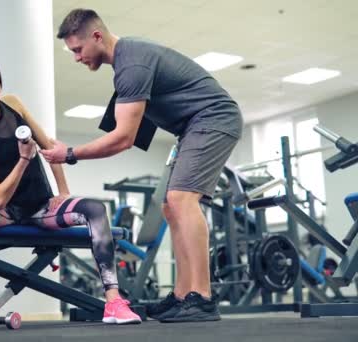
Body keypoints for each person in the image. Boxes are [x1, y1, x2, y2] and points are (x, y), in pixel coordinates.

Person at [42, 9, 244, 323]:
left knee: (182, 199)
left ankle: (202, 297)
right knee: (169, 206)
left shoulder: (131, 64)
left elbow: (122, 138)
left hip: (214, 119)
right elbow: (125, 133)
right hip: (191, 127)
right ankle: (182, 295)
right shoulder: (127, 61)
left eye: (78, 50)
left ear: (97, 36)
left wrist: (69, 153)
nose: (76, 58)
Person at [0, 53, 141, 331]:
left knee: (95, 209)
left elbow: (50, 148)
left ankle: (114, 301)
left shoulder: (14, 104)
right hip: (5, 212)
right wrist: (22, 160)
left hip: (41, 207)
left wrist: (63, 192)